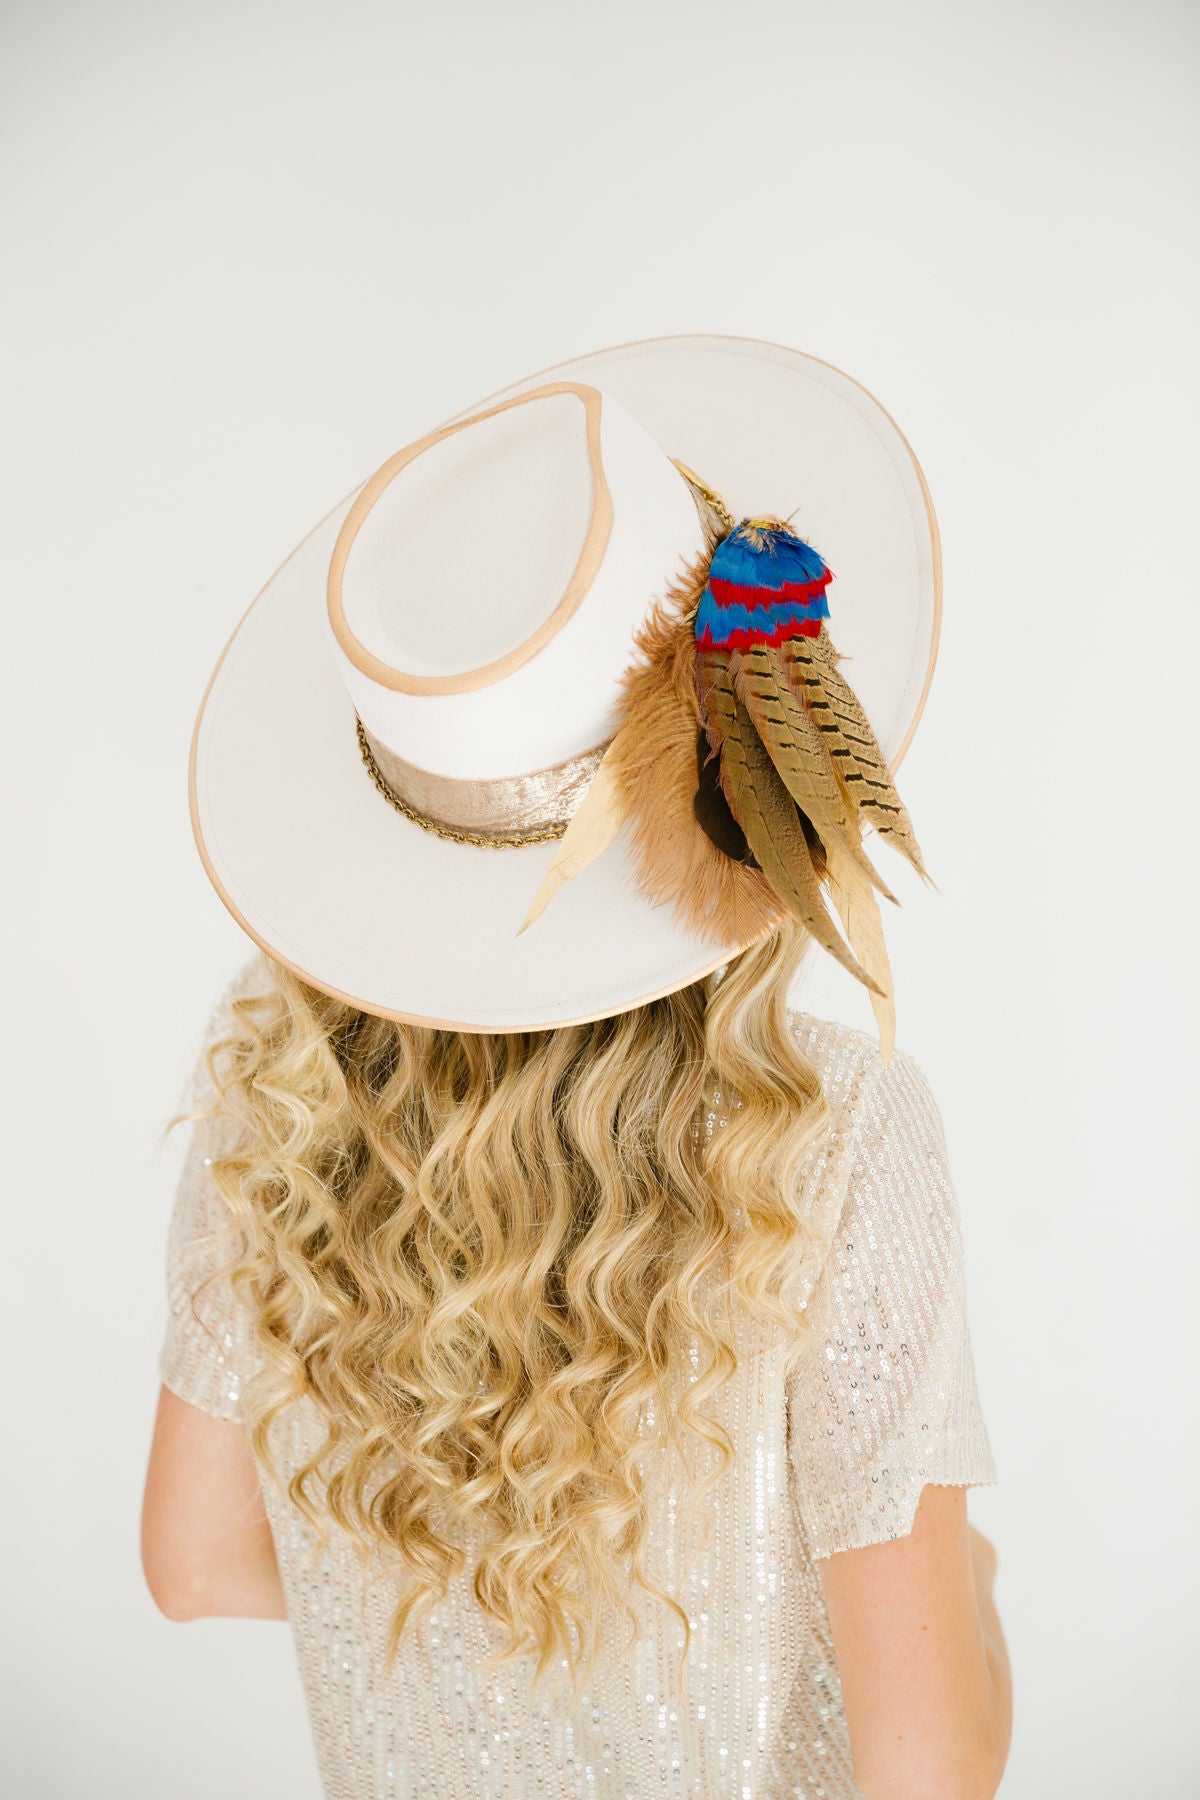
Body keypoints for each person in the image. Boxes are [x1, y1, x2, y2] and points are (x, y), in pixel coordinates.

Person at [142, 336, 1013, 1799]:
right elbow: (925, 1764)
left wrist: (462, 1602)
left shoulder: (279, 1091)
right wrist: (965, 1592)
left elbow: (196, 1557)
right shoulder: (839, 1128)